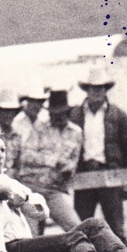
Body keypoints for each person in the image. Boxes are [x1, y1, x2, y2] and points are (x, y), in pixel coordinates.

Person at [69, 68, 127, 243]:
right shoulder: (75, 115)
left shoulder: (118, 115)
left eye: (100, 88)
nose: (96, 91)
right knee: (81, 228)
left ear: (105, 90)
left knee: (116, 228)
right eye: (92, 87)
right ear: (86, 89)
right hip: (84, 175)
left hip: (110, 176)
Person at [16, 89, 83, 236]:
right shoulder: (39, 128)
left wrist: (67, 169)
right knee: (30, 235)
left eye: (61, 113)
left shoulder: (76, 132)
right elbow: (26, 155)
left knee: (77, 229)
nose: (57, 116)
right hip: (32, 187)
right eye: (54, 113)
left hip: (54, 190)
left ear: (68, 112)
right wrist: (52, 161)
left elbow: (73, 161)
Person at [0, 88, 23, 178]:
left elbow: (17, 163)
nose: (8, 115)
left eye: (11, 111)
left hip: (10, 178)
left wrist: (14, 173)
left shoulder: (17, 135)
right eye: (5, 111)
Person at [13, 77, 49, 144]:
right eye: (33, 101)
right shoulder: (16, 124)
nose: (36, 105)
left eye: (39, 101)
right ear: (25, 102)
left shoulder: (44, 125)